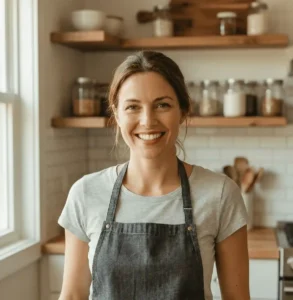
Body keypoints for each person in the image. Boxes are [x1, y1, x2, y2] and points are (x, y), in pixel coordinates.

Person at [58, 50, 250, 300]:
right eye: (133, 107)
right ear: (116, 114)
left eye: (162, 105)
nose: (147, 121)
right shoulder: (85, 193)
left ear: (183, 111)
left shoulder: (220, 194)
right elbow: (72, 296)